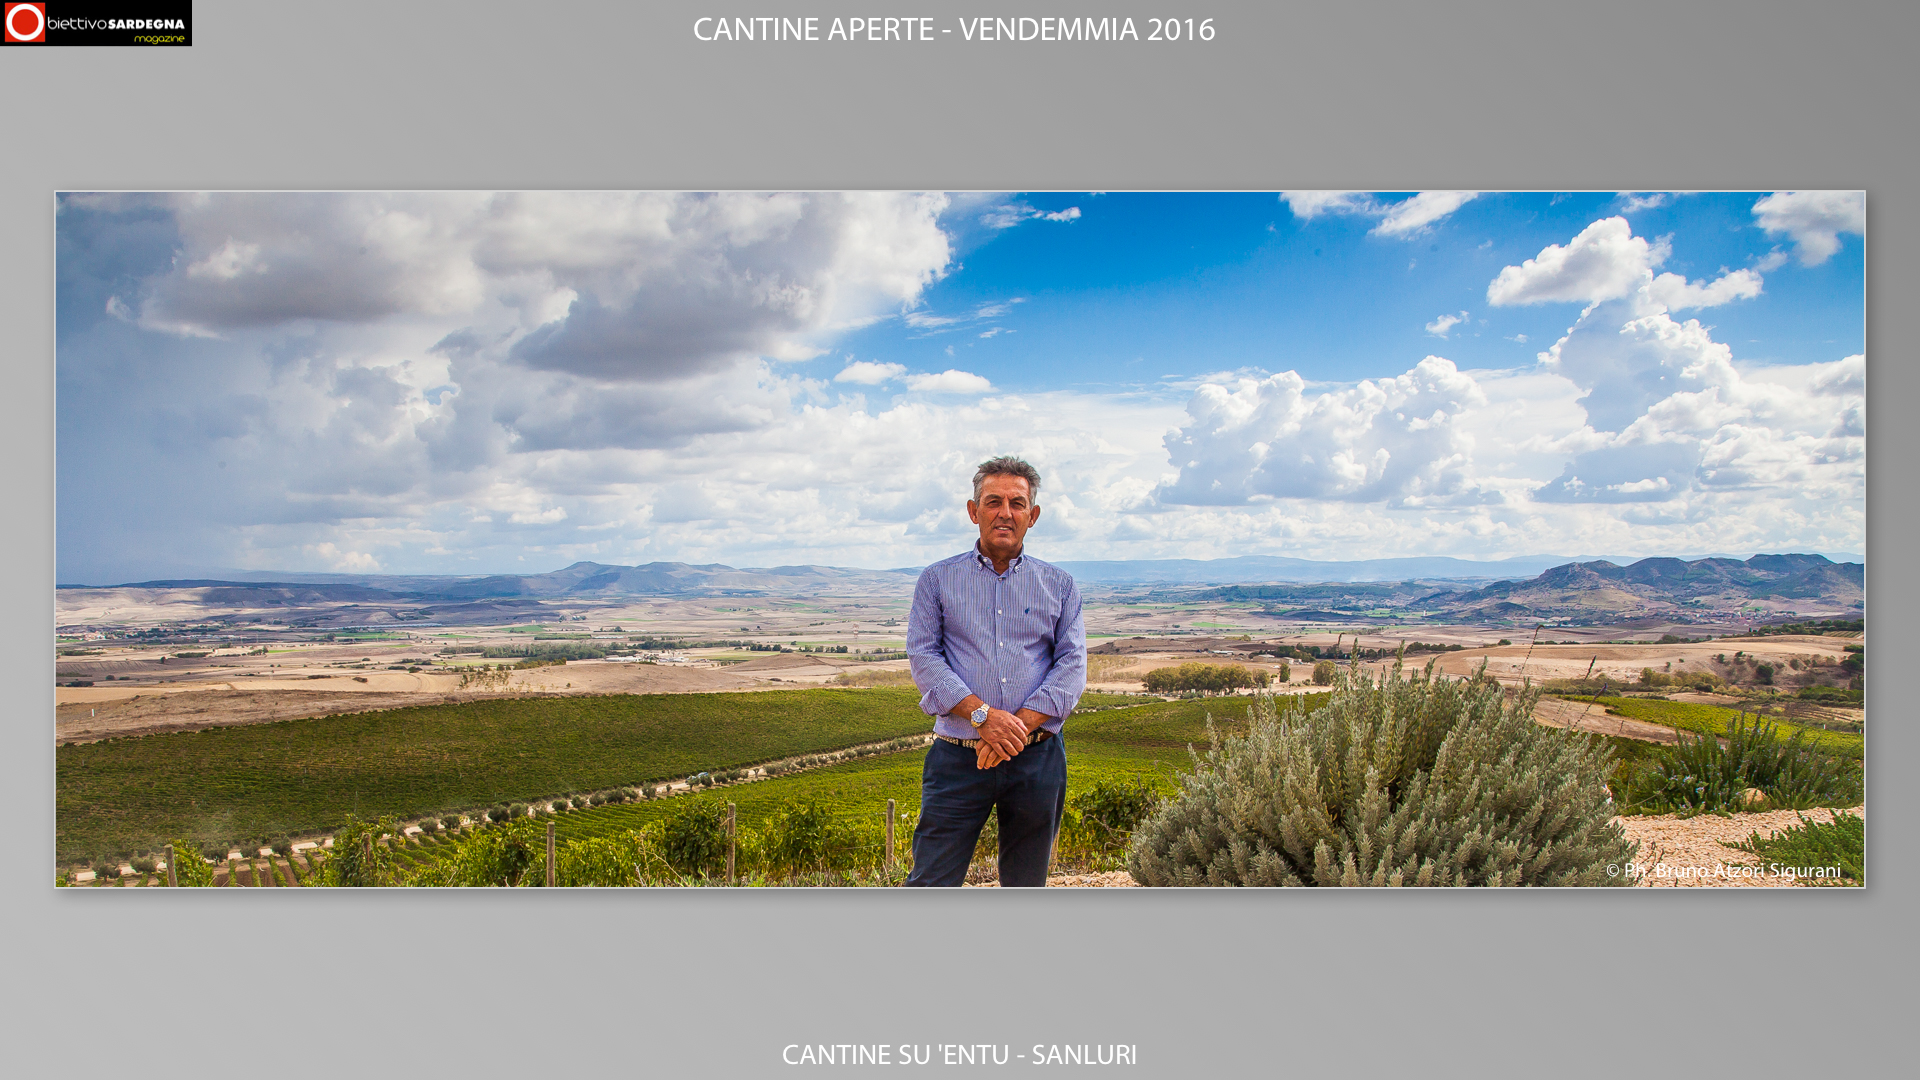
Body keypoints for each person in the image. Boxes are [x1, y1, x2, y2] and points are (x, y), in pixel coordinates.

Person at [904, 455, 1085, 887]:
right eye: (993, 501)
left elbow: (1072, 664)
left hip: (1037, 757)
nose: (1005, 512)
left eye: (1017, 503)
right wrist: (983, 717)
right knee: (931, 882)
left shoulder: (1060, 585)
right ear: (974, 511)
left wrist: (1013, 729)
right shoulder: (937, 580)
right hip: (958, 758)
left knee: (1026, 886)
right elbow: (924, 656)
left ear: (1032, 516)